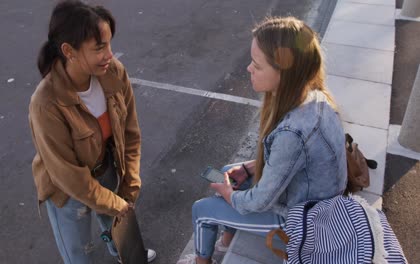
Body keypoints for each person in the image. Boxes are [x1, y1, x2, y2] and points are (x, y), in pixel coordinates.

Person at [177, 17, 347, 264]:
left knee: (202, 210)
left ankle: (202, 262)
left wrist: (228, 195)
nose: (248, 68)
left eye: (257, 65)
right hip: (315, 201)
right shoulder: (314, 96)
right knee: (228, 172)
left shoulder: (293, 131)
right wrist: (249, 167)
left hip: (302, 223)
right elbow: (291, 161)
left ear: (283, 73)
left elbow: (259, 201)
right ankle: (226, 243)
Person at [28, 1, 156, 263]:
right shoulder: (46, 104)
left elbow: (131, 133)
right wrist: (116, 203)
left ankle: (121, 253)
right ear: (69, 51)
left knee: (118, 228)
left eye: (109, 44)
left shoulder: (113, 73)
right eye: (99, 48)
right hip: (68, 190)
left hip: (105, 167)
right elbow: (70, 176)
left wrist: (131, 180)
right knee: (80, 254)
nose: (110, 54)